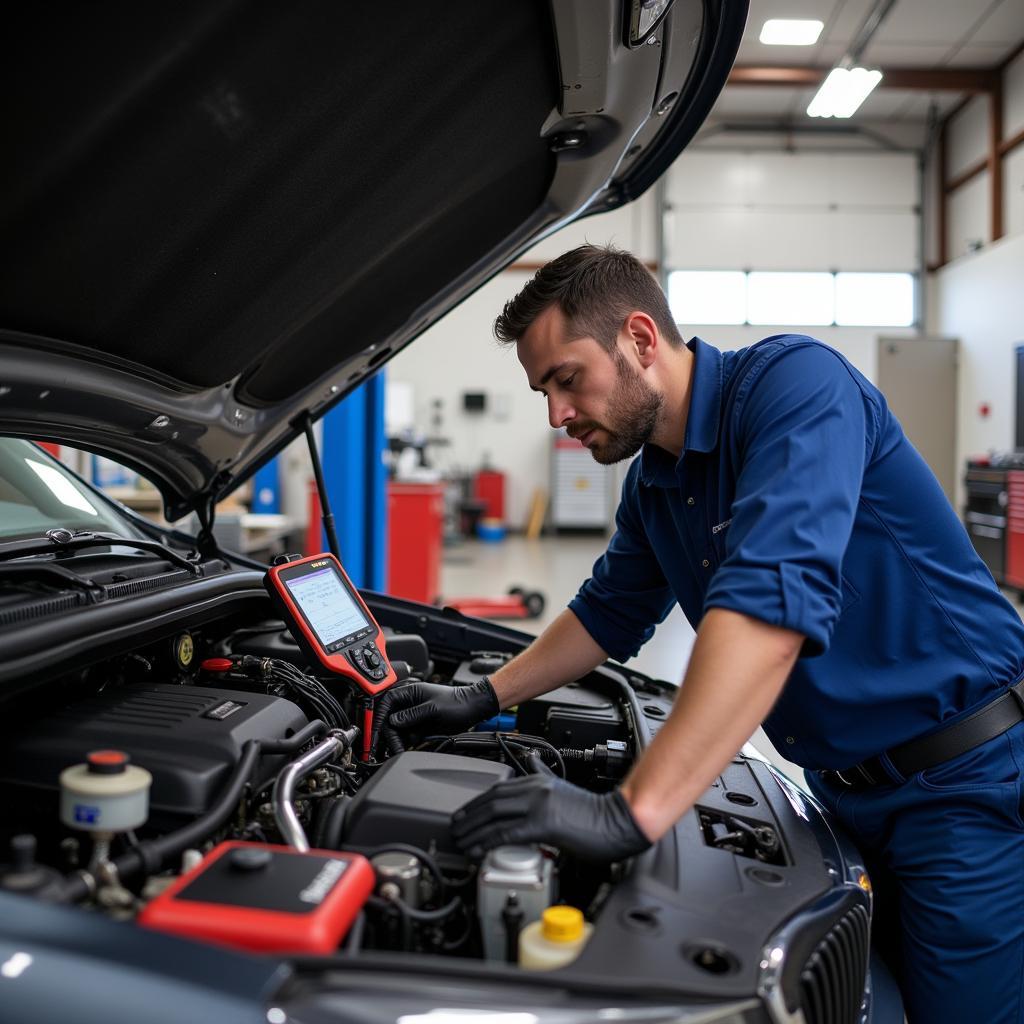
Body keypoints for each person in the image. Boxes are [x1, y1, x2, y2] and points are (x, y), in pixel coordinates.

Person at [372, 244, 1024, 1023]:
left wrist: (631, 812)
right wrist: (479, 696)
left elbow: (771, 602)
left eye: (566, 379)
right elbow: (606, 612)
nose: (556, 414)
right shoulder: (657, 480)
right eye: (543, 390)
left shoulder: (795, 388)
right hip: (843, 794)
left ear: (641, 340)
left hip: (963, 786)